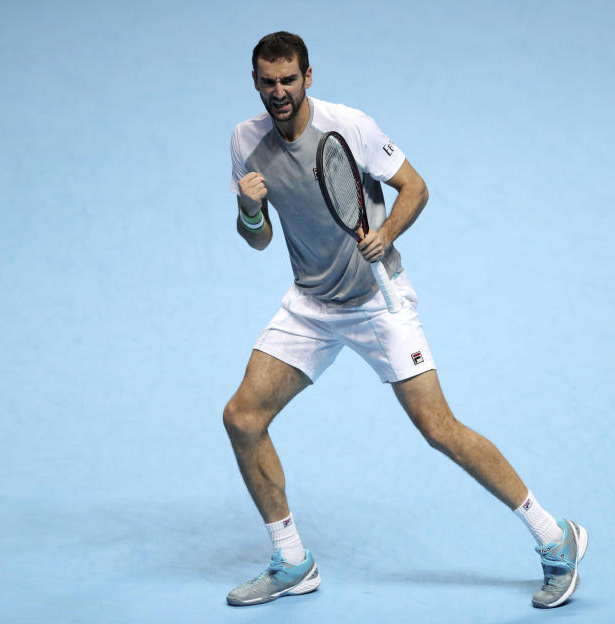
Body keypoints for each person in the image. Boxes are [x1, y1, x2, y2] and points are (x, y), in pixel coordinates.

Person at [223, 31, 587, 609]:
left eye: (289, 79)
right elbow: (259, 240)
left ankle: (555, 535)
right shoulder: (246, 142)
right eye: (268, 82)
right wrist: (246, 208)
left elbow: (414, 187)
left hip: (377, 301)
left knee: (439, 428)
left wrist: (386, 234)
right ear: (255, 83)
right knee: (243, 418)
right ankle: (292, 560)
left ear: (308, 77)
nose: (279, 91)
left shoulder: (351, 126)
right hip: (312, 306)